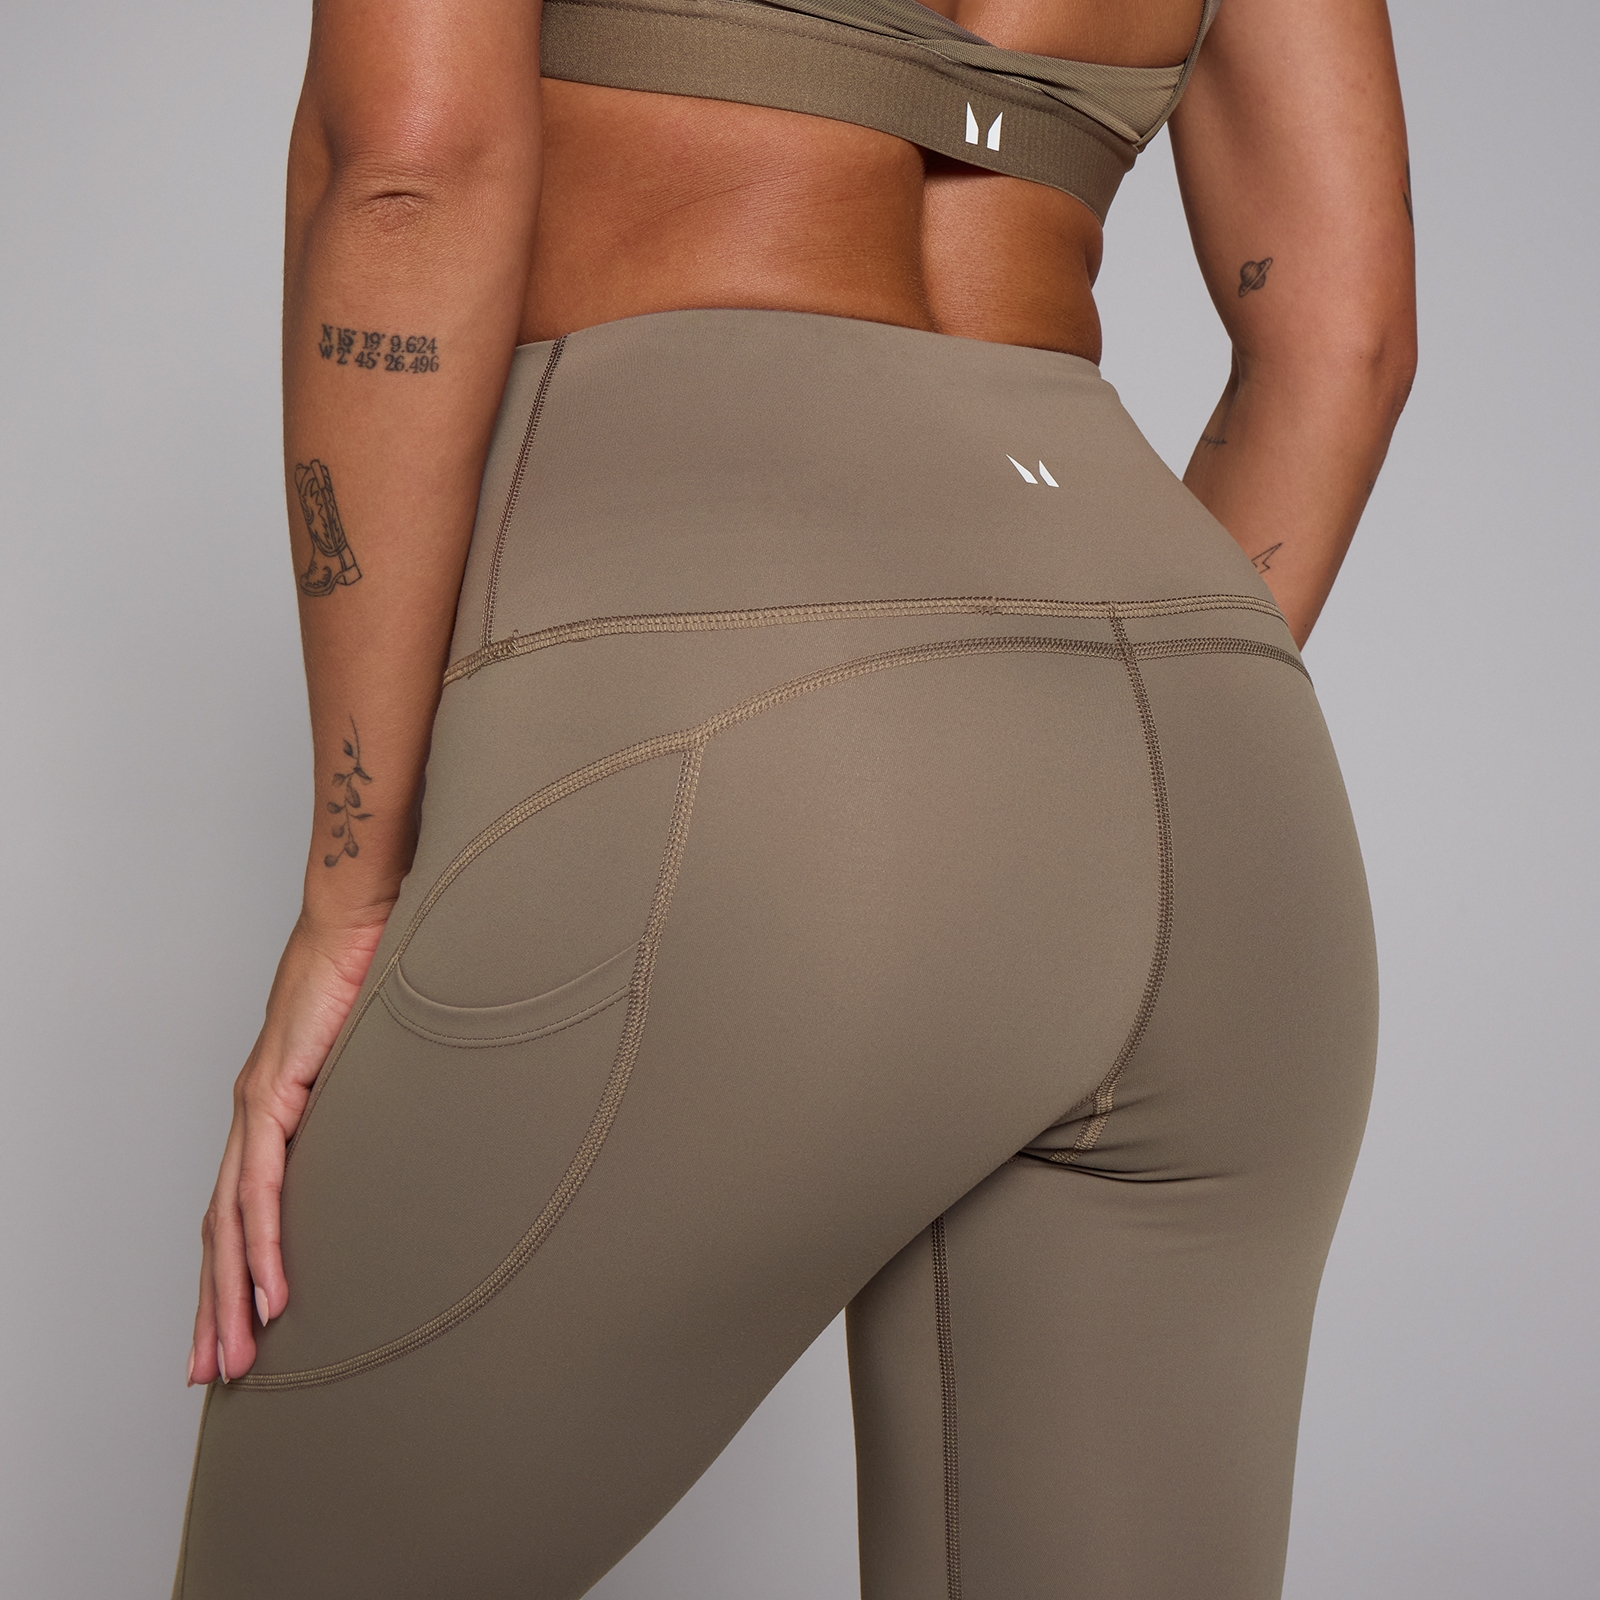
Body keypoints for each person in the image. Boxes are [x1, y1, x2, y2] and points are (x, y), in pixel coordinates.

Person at [174, 0, 1415, 1594]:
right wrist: (1056, 756)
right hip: (1226, 779)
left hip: (766, 731)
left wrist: (350, 890)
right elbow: (1346, 338)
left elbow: (410, 169)